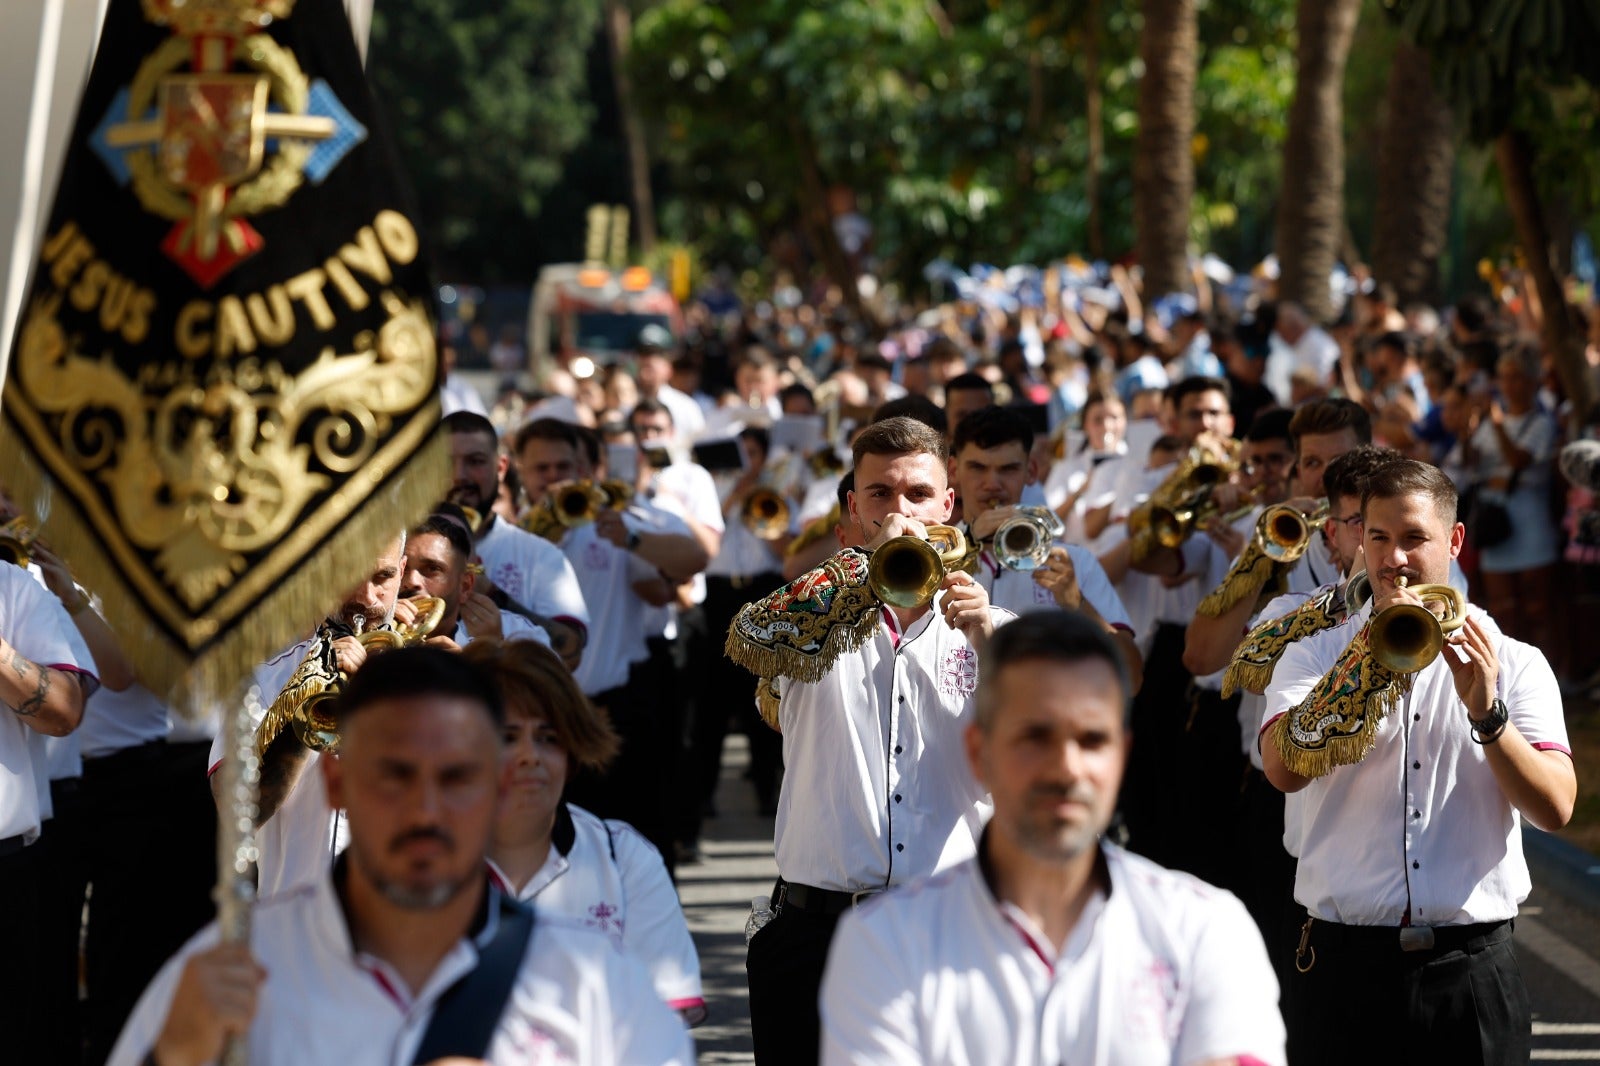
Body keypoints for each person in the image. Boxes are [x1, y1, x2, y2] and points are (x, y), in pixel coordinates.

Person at [109, 647, 693, 1066]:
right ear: (336, 779)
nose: (425, 811)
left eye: (457, 776)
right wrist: (176, 1053)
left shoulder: (592, 985)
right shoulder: (226, 973)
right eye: (395, 775)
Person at [819, 610, 1286, 1065]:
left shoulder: (1204, 930)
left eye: (1091, 740)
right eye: (1035, 737)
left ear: (1122, 756)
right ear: (980, 754)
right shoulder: (885, 943)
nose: (1066, 768)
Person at [1261, 460, 1576, 1065]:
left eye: (1413, 538)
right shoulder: (1311, 654)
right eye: (1377, 537)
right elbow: (1282, 768)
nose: (1394, 559)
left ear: (1454, 541)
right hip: (1342, 968)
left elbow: (1557, 806)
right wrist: (1360, 666)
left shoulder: (1515, 661)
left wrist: (1488, 714)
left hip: (1472, 971)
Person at [727, 415, 1012, 1065]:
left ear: (949, 505)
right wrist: (867, 568)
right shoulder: (813, 619)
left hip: (953, 927)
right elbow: (750, 636)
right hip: (816, 931)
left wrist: (991, 648)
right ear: (853, 510)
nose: (900, 510)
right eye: (880, 495)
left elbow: (1026, 769)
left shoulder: (997, 627)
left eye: (917, 494)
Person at [465, 639, 706, 1023]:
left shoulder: (624, 858)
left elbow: (664, 1021)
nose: (531, 755)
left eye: (549, 738)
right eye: (508, 737)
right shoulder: (417, 861)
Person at [948, 404, 1142, 684]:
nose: (992, 483)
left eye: (1009, 469)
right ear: (953, 469)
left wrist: (1078, 605)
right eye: (978, 467)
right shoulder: (931, 556)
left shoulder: (1073, 561)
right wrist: (966, 545)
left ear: (1031, 471)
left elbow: (1132, 677)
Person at [442, 411, 590, 671]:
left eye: (474, 461)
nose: (459, 475)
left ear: (501, 468)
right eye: (446, 463)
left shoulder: (540, 555)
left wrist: (493, 595)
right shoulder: (398, 547)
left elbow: (570, 654)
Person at [400, 512, 550, 648]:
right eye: (403, 568)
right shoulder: (377, 633)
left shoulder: (519, 634)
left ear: (465, 586)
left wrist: (482, 661)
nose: (412, 581)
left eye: (432, 569)